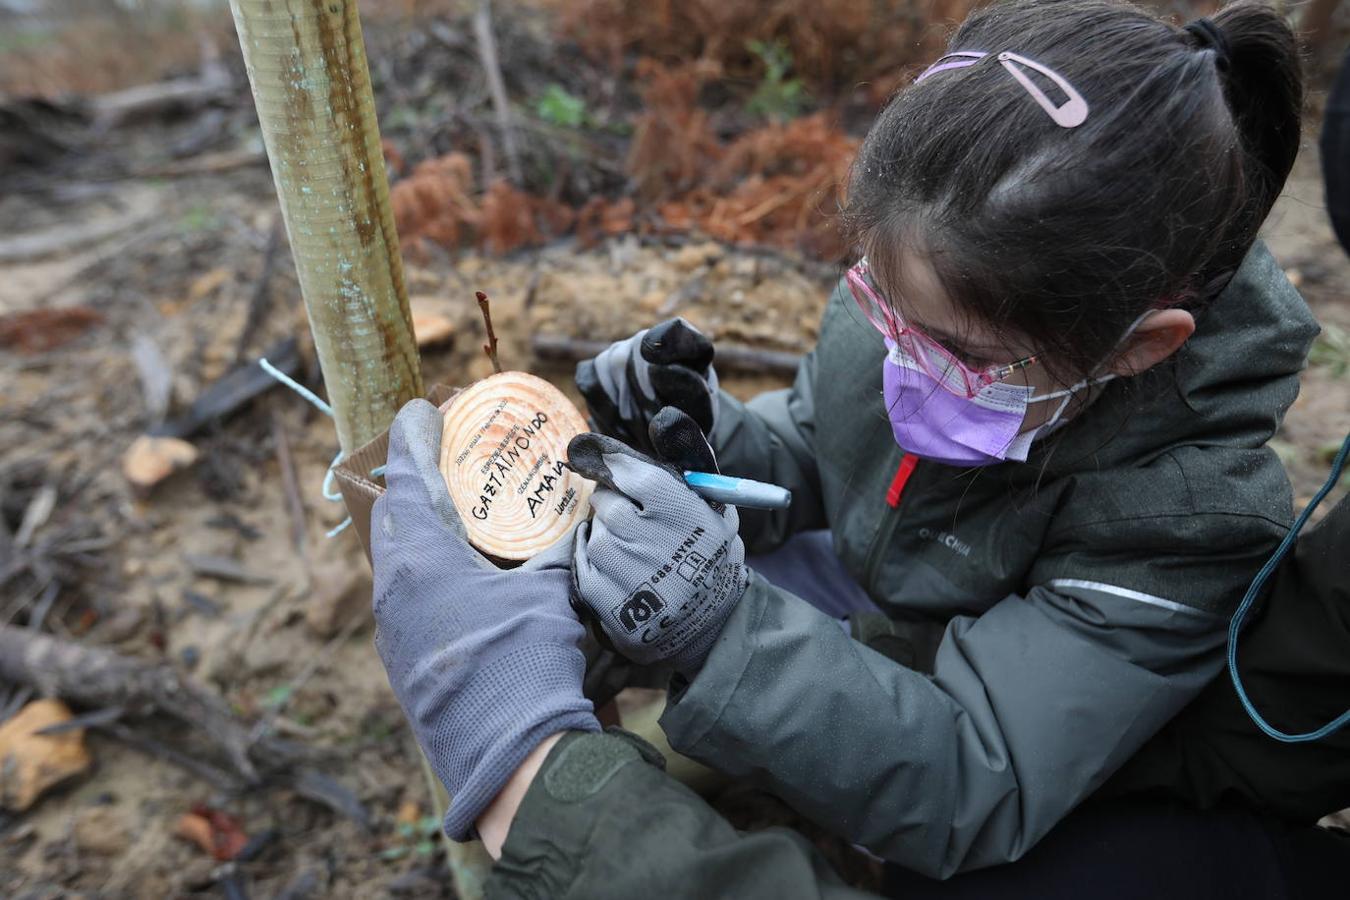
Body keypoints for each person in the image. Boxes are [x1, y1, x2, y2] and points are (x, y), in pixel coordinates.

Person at [369, 1, 1349, 897]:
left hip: (957, 734)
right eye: (877, 302)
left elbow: (981, 774)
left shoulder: (1188, 523)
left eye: (964, 356)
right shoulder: (925, 287)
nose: (902, 360)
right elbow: (820, 452)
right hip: (860, 638)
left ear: (1140, 346)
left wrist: (719, 626)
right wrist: (710, 436)